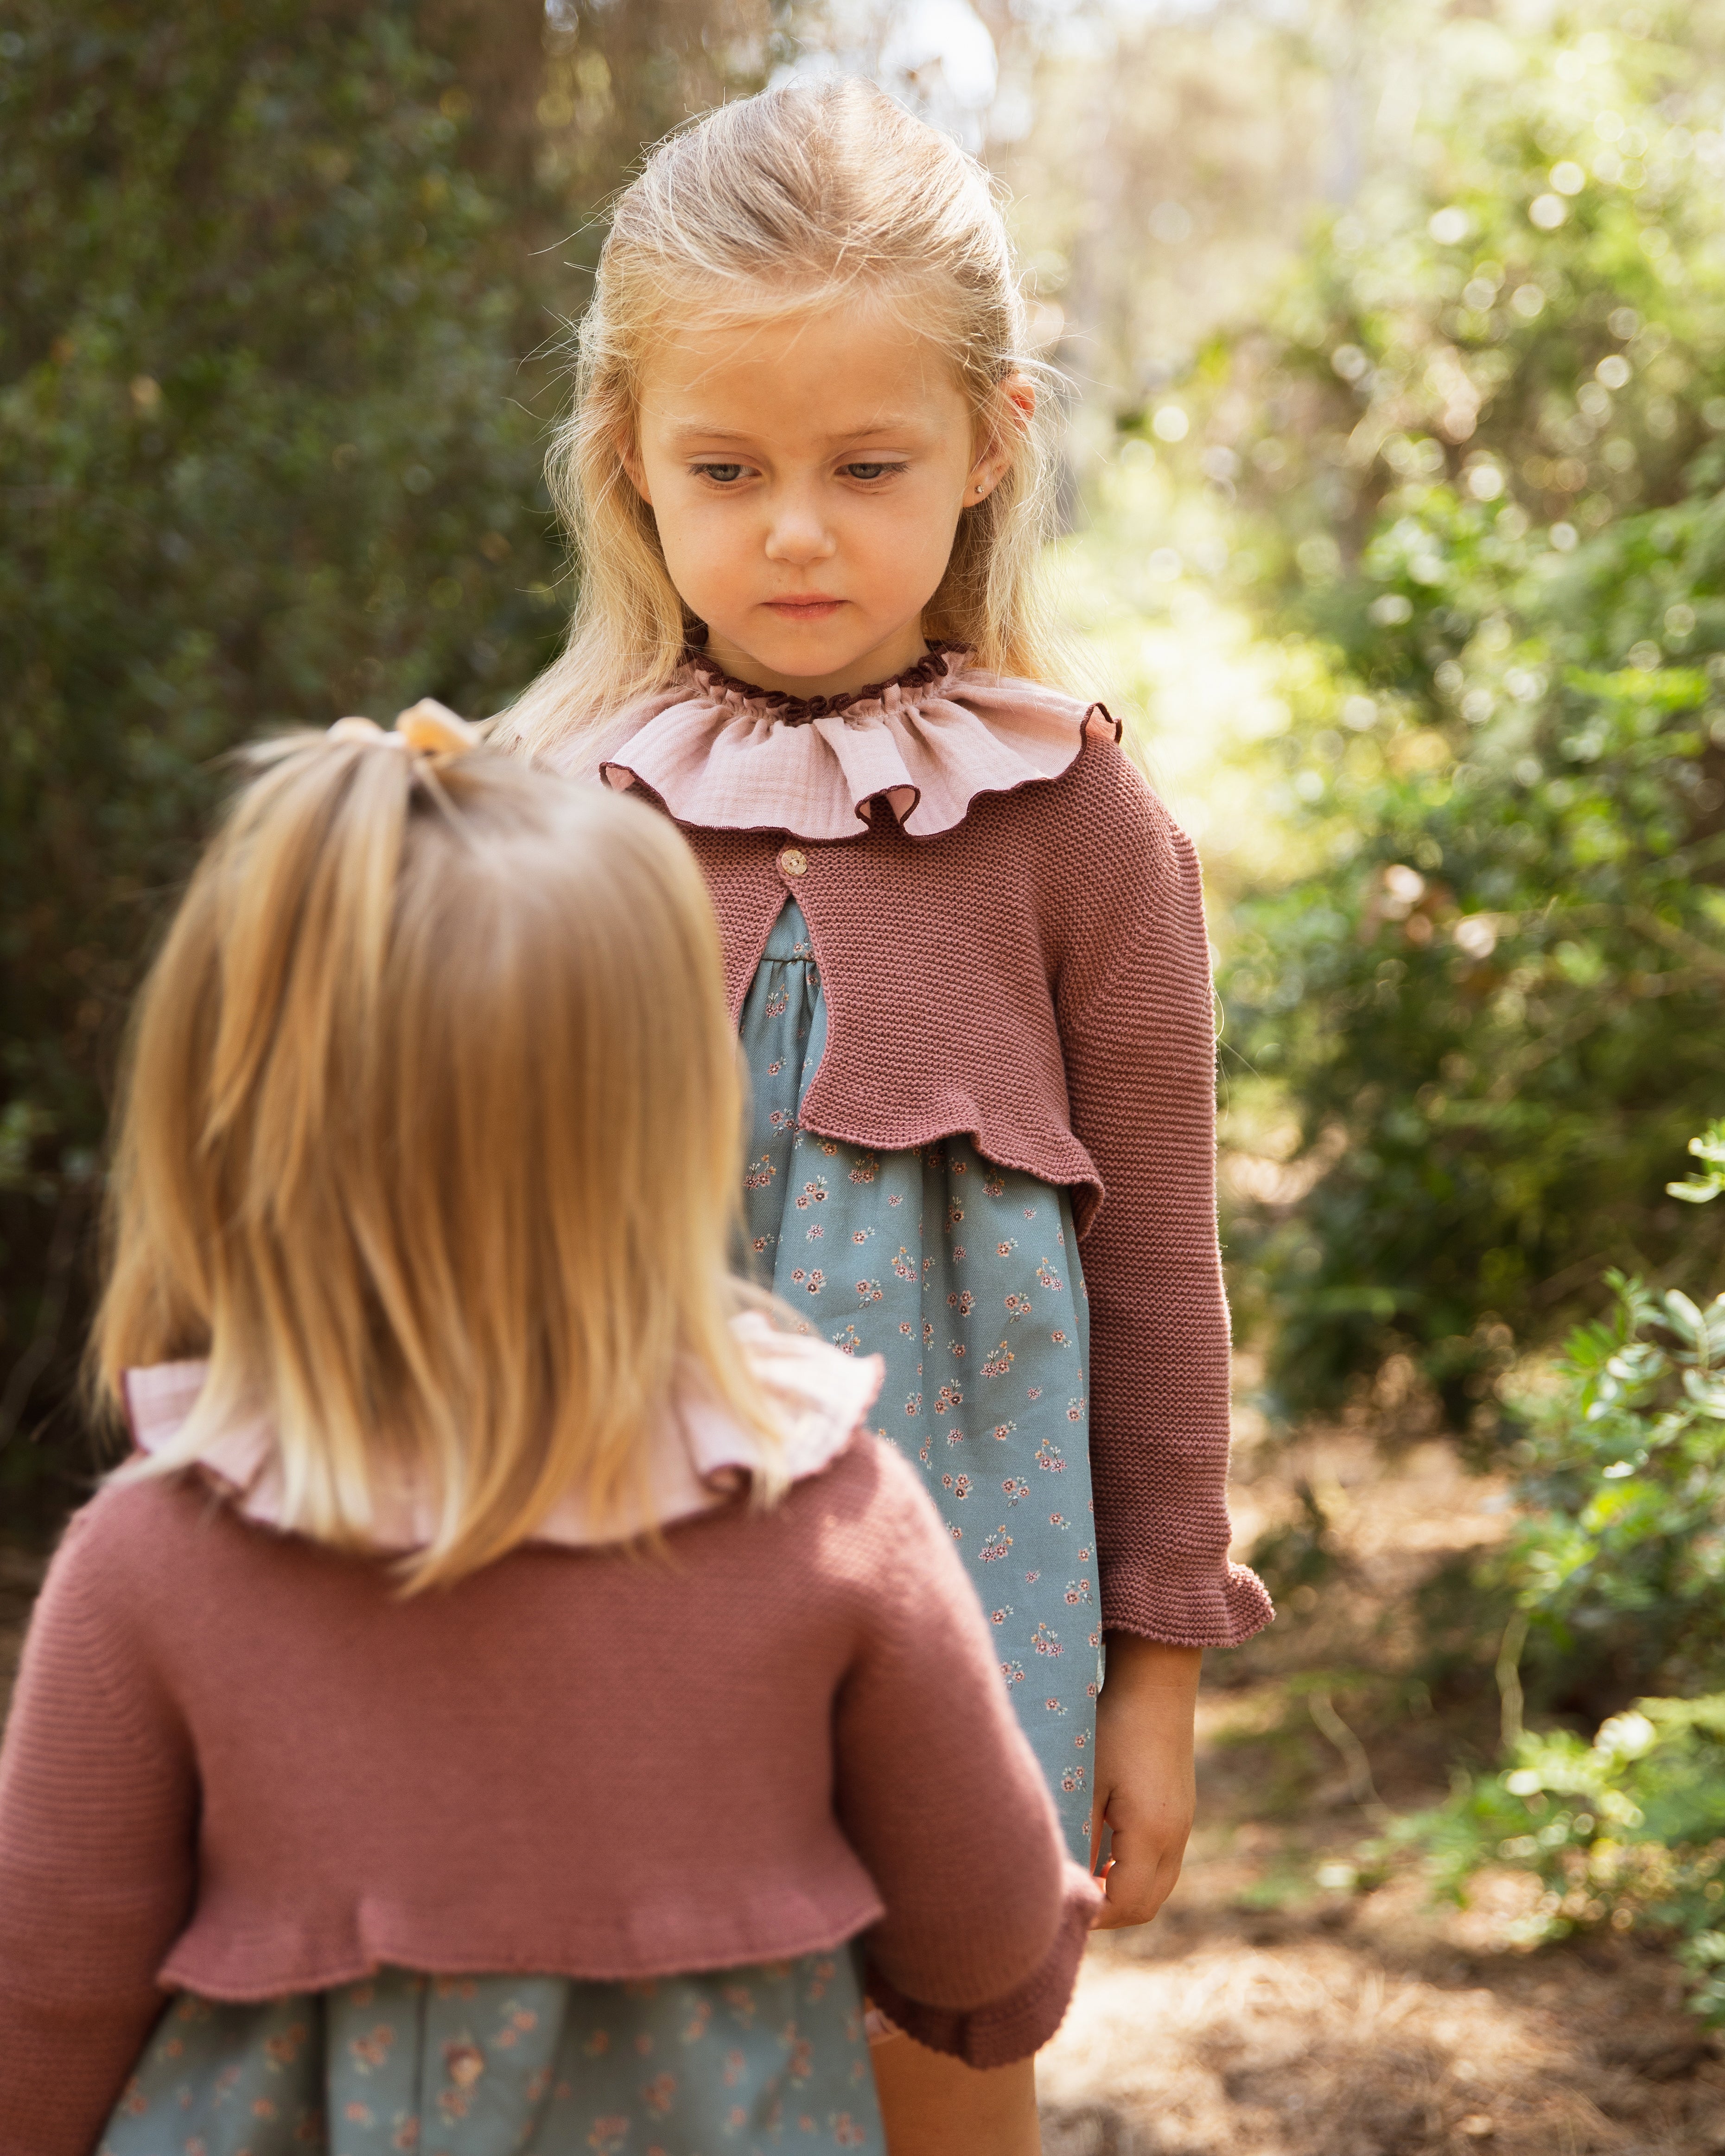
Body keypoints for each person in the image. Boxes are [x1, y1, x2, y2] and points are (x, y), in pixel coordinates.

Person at [496, 74, 1277, 2154]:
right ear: (627, 465)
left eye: (867, 463)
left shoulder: (1084, 829)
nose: (797, 529)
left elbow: (1159, 1279)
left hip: (968, 1582)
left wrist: (1156, 1670)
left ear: (989, 445)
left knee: (939, 2067)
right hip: (591, 1578)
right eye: (725, 467)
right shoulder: (540, 813)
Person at [0, 711, 1098, 2156]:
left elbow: (50, 1995)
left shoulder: (157, 1553)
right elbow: (985, 1940)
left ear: (226, 1146)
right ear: (680, 1125)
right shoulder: (826, 1518)